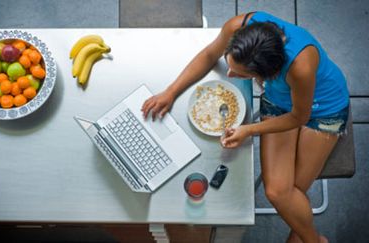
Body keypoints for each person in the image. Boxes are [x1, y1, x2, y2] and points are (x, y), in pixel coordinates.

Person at [142, 11, 350, 243]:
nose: (229, 74)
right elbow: (211, 53)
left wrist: (247, 130)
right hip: (280, 102)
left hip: (323, 109)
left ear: (267, 76)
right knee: (281, 193)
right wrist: (171, 92)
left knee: (287, 193)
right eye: (230, 64)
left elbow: (299, 117)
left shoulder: (301, 66)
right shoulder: (238, 26)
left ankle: (311, 240)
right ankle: (308, 237)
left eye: (240, 74)